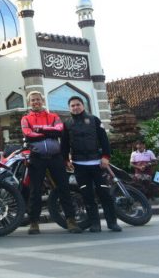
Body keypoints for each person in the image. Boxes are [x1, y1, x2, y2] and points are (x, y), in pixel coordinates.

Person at [21, 91, 82, 234]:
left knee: (64, 188)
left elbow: (60, 130)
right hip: (37, 157)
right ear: (29, 102)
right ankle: (34, 222)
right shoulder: (25, 118)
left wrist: (40, 130)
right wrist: (49, 132)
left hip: (56, 157)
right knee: (35, 190)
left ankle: (71, 221)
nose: (36, 102)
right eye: (33, 100)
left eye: (38, 99)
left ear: (43, 100)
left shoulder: (53, 116)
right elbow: (28, 134)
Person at [61, 96, 121, 232]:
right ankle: (95, 224)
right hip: (79, 165)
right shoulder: (67, 124)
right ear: (69, 108)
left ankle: (112, 223)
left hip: (97, 164)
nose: (75, 107)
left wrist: (106, 156)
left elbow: (104, 140)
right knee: (87, 195)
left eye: (78, 104)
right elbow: (64, 145)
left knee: (104, 193)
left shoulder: (94, 120)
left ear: (83, 105)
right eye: (72, 105)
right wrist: (65, 160)